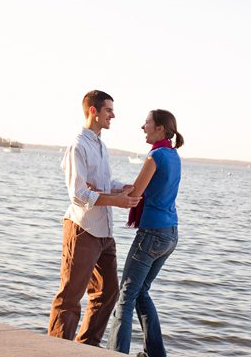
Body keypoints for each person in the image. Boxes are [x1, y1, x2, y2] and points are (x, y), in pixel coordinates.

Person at [48, 90, 142, 346]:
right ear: (94, 111)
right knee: (70, 296)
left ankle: (85, 347)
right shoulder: (78, 145)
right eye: (109, 110)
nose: (113, 115)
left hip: (104, 232)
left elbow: (101, 183)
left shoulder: (100, 144)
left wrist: (121, 188)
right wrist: (116, 201)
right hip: (83, 229)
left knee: (108, 292)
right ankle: (55, 349)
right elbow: (78, 194)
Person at [107, 109, 184, 357]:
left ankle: (116, 353)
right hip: (170, 234)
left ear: (160, 128)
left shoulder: (156, 156)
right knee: (141, 292)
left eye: (147, 123)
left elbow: (136, 194)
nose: (143, 127)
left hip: (151, 234)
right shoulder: (173, 156)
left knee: (126, 296)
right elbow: (147, 189)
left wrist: (96, 194)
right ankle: (156, 353)